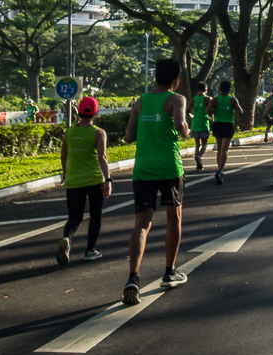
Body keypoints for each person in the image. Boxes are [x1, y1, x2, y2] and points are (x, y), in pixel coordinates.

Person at [122, 58, 190, 305]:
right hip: (169, 167)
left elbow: (129, 137)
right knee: (174, 218)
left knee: (141, 222)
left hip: (143, 169)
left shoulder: (141, 101)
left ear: (156, 77)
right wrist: (186, 131)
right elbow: (179, 123)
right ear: (176, 79)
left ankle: (133, 278)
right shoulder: (176, 99)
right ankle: (170, 271)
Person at [57, 96, 112, 264]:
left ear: (78, 112)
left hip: (73, 181)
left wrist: (65, 174)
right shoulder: (98, 133)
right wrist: (108, 180)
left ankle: (67, 238)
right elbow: (102, 158)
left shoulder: (69, 132)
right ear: (95, 113)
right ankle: (90, 250)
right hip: (95, 180)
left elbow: (63, 155)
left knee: (74, 217)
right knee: (95, 216)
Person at [206, 81, 243, 185]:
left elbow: (207, 111)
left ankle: (219, 169)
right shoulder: (233, 100)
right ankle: (220, 170)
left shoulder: (215, 100)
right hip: (228, 125)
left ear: (220, 89)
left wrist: (214, 110)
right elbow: (240, 112)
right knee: (224, 149)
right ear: (229, 89)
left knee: (219, 148)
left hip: (217, 124)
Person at [189, 82, 210, 172]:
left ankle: (198, 165)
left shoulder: (193, 100)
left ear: (197, 90)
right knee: (204, 144)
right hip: (204, 124)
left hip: (195, 124)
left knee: (197, 144)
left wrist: (192, 116)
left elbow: (187, 111)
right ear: (206, 90)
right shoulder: (207, 99)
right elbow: (211, 110)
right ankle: (199, 156)